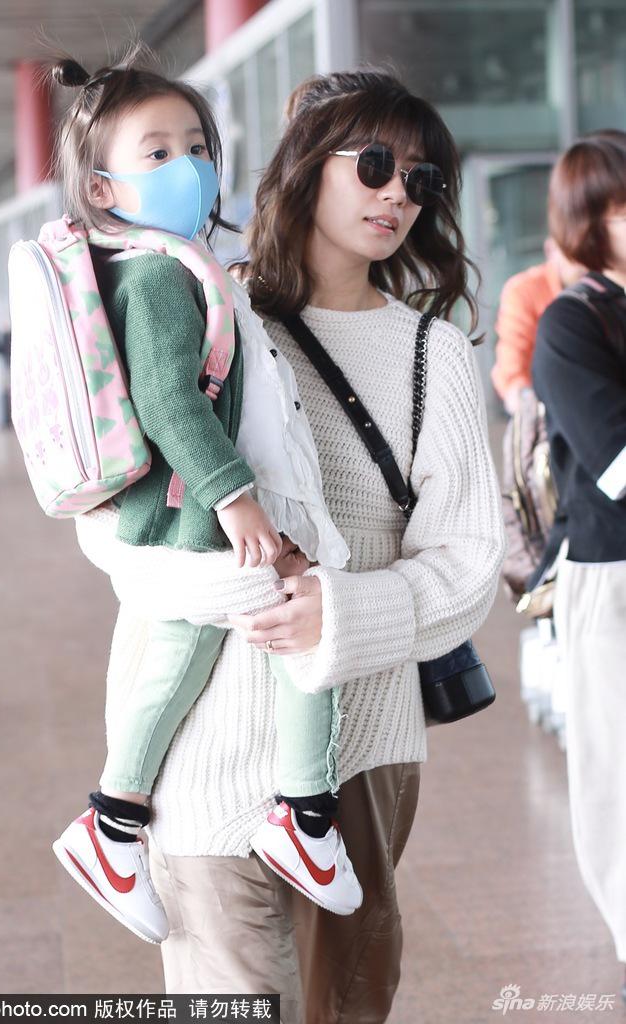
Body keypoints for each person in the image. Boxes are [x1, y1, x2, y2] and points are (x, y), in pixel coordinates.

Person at [76, 67, 505, 1021]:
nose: (399, 194)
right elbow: (104, 517)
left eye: (422, 179)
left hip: (355, 748)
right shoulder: (200, 302)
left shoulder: (432, 351)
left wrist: (339, 611)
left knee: (345, 1003)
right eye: (377, 164)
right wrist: (236, 592)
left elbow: (471, 561)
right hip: (197, 742)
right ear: (310, 165)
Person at [46, 48, 363, 947]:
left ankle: (112, 824)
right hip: (196, 507)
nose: (187, 166)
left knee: (182, 652)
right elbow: (169, 401)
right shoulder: (155, 276)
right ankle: (303, 815)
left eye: (196, 146)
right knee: (309, 614)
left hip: (175, 510)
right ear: (101, 188)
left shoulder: (168, 260)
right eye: (157, 153)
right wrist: (237, 499)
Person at [533, 130, 626, 1004]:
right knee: (618, 775)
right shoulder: (573, 323)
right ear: (590, 222)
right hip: (613, 575)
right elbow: (616, 461)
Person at [491, 238, 585, 414]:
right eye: (577, 251)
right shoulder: (524, 290)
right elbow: (512, 365)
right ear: (551, 249)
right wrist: (525, 400)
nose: (586, 261)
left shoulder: (609, 285)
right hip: (547, 408)